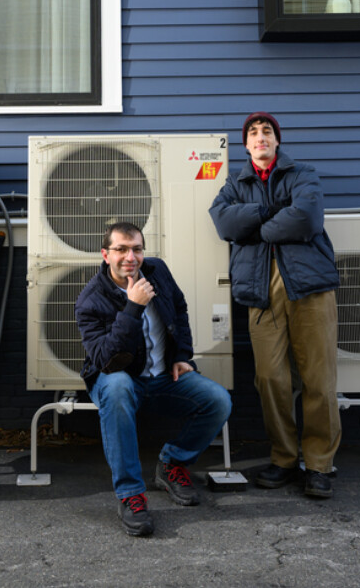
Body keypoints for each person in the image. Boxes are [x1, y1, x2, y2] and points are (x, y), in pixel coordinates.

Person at [209, 112, 341, 498]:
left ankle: (319, 464)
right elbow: (223, 224)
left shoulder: (302, 174)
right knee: (270, 379)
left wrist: (259, 228)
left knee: (319, 380)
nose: (260, 137)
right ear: (246, 144)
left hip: (310, 287)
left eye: (267, 131)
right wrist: (269, 213)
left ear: (277, 141)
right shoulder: (235, 182)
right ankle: (284, 458)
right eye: (253, 133)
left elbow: (306, 219)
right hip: (260, 291)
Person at [75, 222, 232, 537]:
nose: (130, 257)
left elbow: (179, 309)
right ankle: (131, 494)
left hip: (163, 377)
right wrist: (132, 308)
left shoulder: (157, 271)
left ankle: (173, 463)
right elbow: (105, 359)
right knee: (117, 387)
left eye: (136, 249)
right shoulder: (90, 300)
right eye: (121, 249)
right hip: (118, 380)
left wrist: (183, 356)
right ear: (105, 254)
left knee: (218, 401)